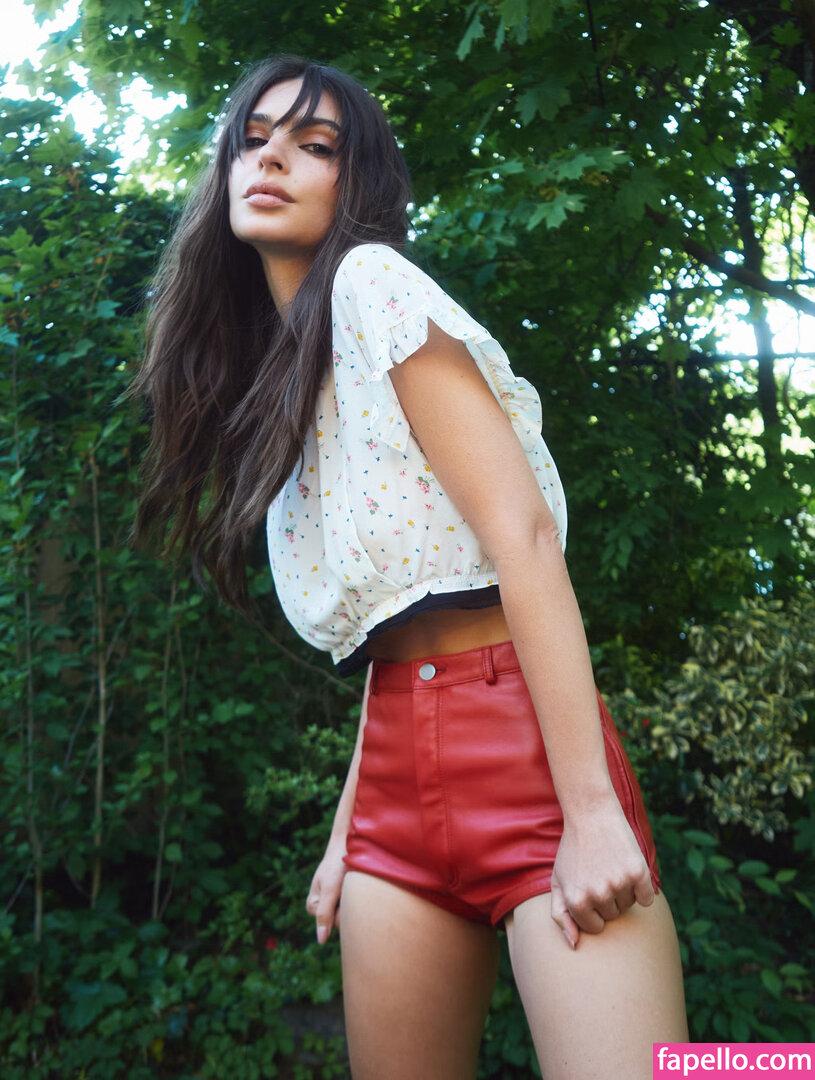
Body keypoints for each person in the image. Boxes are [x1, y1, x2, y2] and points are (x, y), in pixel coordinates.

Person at [134, 55, 688, 1080]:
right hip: (391, 778)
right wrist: (348, 830)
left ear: (357, 182)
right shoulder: (286, 376)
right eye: (252, 139)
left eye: (312, 145)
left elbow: (522, 541)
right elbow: (394, 628)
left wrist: (589, 812)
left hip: (528, 758)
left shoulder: (372, 283)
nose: (271, 159)